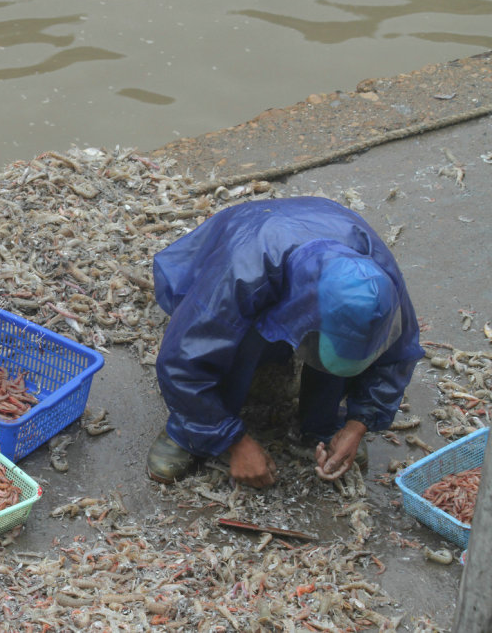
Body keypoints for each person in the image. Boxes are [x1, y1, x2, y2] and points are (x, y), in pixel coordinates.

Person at [145, 196, 424, 488]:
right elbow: (182, 361)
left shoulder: (382, 281)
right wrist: (233, 441)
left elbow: (398, 354)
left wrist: (358, 423)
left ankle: (323, 423)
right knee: (237, 338)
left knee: (351, 329)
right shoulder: (242, 274)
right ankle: (188, 432)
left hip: (322, 232)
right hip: (247, 240)